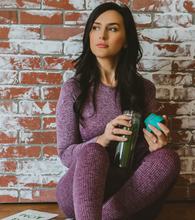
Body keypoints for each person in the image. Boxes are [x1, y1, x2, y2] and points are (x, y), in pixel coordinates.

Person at [55, 2, 180, 220]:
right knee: (94, 151)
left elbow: (140, 155)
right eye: (95, 27)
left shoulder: (144, 89)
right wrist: (102, 139)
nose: (101, 35)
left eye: (112, 28)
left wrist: (155, 146)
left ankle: (104, 216)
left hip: (128, 196)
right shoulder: (74, 89)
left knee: (168, 157)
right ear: (89, 35)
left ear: (126, 41)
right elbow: (65, 154)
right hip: (80, 194)